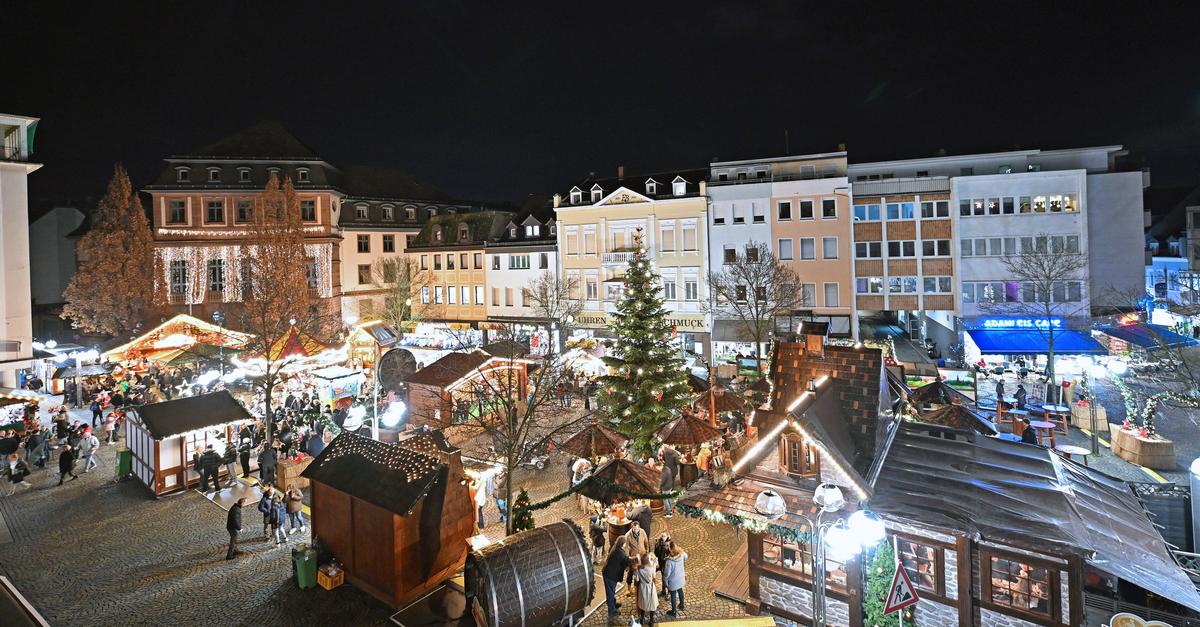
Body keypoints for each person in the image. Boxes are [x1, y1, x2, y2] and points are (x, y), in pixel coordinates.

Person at [602, 537, 629, 619]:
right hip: (610, 575)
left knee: (611, 591)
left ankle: (613, 604)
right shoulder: (619, 552)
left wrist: (626, 566)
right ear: (622, 544)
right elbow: (626, 560)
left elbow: (622, 561)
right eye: (625, 543)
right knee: (610, 593)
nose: (625, 545)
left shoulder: (616, 548)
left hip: (610, 574)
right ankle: (612, 611)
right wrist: (636, 558)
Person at [624, 519, 649, 594]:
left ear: (639, 527)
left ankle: (640, 587)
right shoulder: (627, 535)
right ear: (632, 528)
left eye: (637, 529)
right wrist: (628, 560)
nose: (636, 530)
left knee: (643, 571)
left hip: (642, 556)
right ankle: (628, 588)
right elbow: (626, 549)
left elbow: (646, 542)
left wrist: (647, 551)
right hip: (633, 558)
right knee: (630, 573)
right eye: (634, 529)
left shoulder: (642, 531)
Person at [663, 542, 688, 616]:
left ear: (670, 550)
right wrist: (682, 551)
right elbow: (686, 557)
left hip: (673, 582)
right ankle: (682, 605)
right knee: (680, 591)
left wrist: (665, 582)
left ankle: (673, 611)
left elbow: (667, 574)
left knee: (673, 595)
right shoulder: (682, 554)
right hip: (680, 578)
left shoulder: (669, 561)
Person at [636, 553, 659, 625]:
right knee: (652, 603)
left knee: (643, 603)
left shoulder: (638, 569)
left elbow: (637, 580)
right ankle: (651, 621)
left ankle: (642, 619)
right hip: (650, 587)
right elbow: (654, 577)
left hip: (642, 588)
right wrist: (655, 562)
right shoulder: (651, 568)